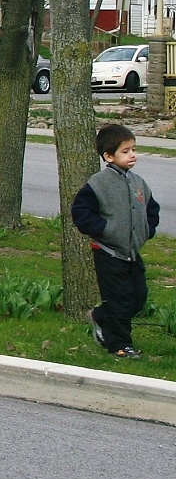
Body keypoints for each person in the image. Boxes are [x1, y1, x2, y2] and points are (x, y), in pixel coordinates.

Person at [73, 124, 161, 359]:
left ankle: (101, 316)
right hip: (108, 252)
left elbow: (152, 209)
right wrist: (106, 230)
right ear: (108, 156)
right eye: (125, 151)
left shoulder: (138, 182)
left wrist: (147, 230)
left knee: (138, 296)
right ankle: (120, 346)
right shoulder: (98, 184)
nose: (132, 155)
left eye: (133, 149)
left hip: (132, 252)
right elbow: (81, 213)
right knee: (120, 301)